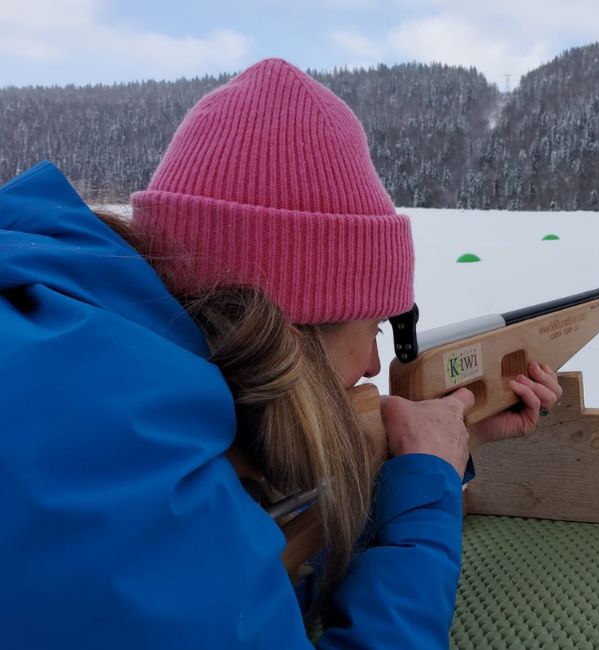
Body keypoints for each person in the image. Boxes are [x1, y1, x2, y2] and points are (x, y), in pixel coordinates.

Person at [0, 58, 561, 649]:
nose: (374, 366)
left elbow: (234, 572)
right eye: (372, 328)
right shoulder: (121, 461)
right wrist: (425, 503)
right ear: (292, 332)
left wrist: (437, 450)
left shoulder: (90, 361)